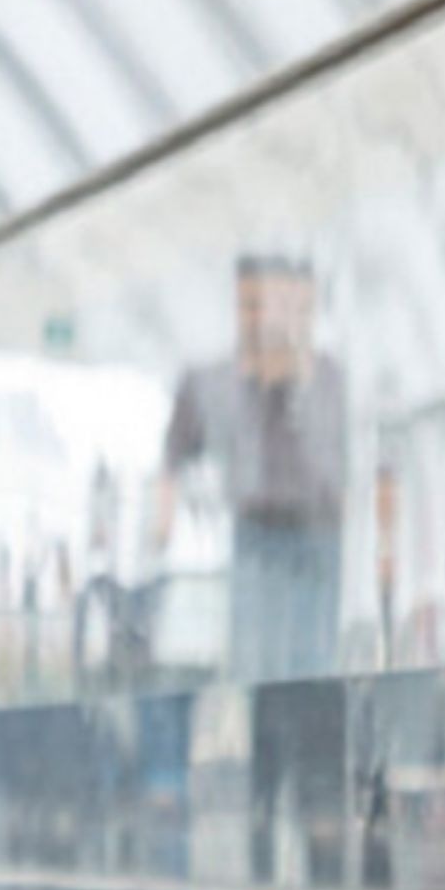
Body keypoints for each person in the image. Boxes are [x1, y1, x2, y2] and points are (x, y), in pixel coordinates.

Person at [163, 253, 352, 686]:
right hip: (253, 534)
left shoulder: (330, 377)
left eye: (275, 305)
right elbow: (175, 453)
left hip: (321, 536)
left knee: (311, 665)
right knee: (256, 664)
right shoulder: (215, 378)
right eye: (249, 305)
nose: (262, 318)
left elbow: (343, 463)